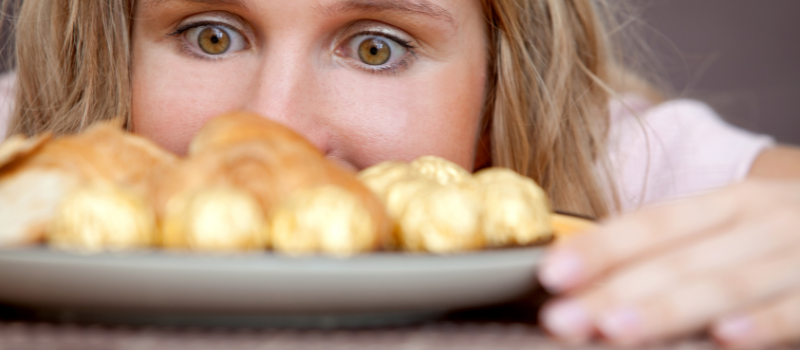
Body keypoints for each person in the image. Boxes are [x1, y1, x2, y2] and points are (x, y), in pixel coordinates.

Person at [3, 0, 800, 348]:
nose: (274, 126)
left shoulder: (605, 160)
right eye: (211, 37)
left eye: (377, 46)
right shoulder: (31, 156)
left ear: (500, 85)